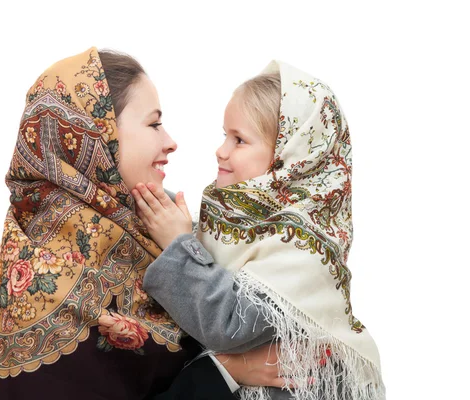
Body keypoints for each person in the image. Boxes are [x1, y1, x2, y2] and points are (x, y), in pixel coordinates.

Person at [0, 47, 286, 400]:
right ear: (96, 136)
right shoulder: (41, 281)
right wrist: (224, 372)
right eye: (154, 123)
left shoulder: (156, 227)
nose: (171, 142)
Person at [133, 61, 386, 399]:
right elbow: (211, 264)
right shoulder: (239, 226)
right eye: (225, 135)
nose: (221, 151)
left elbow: (229, 322)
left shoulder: (303, 245)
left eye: (239, 140)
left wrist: (177, 243)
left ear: (289, 161)